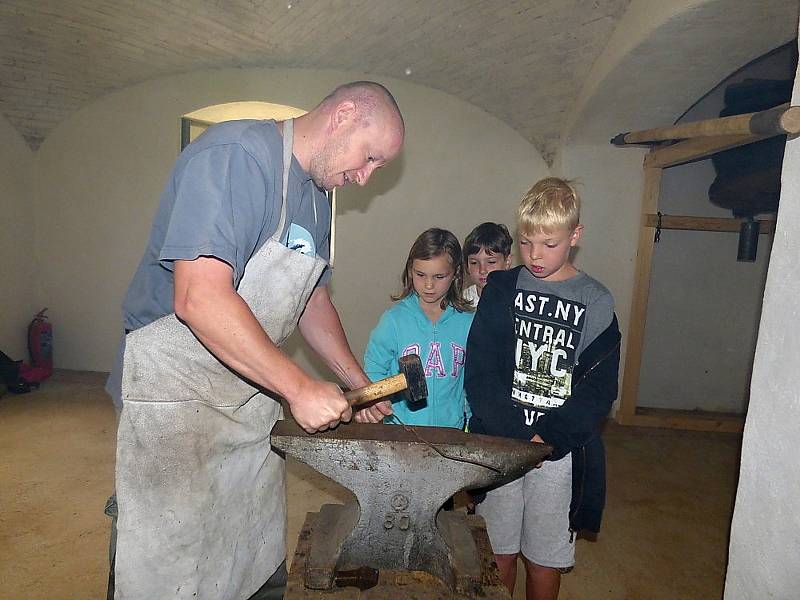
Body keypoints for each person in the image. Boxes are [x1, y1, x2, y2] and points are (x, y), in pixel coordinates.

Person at [104, 81, 404, 600]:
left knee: (247, 557)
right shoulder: (236, 157)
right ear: (345, 114)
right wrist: (297, 386)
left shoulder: (315, 196)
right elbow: (199, 296)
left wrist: (358, 382)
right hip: (176, 405)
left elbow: (311, 301)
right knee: (164, 565)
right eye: (370, 157)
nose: (365, 176)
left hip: (246, 401)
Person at [465, 178, 621, 600]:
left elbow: (598, 390)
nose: (535, 255)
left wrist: (547, 439)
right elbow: (480, 371)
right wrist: (518, 437)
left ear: (575, 235)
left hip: (561, 452)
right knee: (496, 550)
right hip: (503, 443)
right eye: (527, 242)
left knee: (545, 556)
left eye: (549, 244)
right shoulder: (501, 288)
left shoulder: (596, 300)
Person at [358, 228, 474, 428]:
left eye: (439, 277)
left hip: (451, 432)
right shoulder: (394, 321)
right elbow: (374, 369)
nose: (428, 285)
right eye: (420, 275)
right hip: (401, 431)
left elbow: (473, 382)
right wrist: (378, 401)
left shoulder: (468, 322)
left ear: (455, 273)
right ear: (410, 270)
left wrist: (471, 420)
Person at [463, 222, 513, 307]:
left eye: (491, 262)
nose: (482, 270)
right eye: (474, 263)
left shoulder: (517, 300)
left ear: (507, 262)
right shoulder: (461, 302)